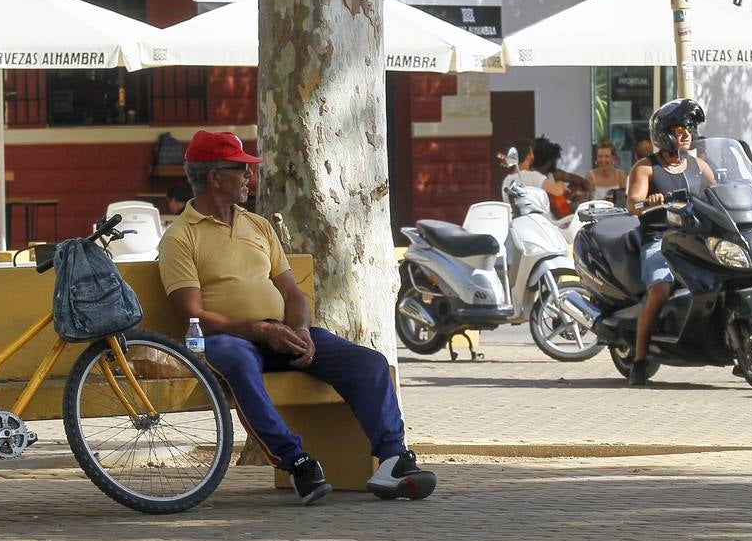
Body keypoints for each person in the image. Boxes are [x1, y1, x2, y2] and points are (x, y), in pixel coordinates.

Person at [157, 130, 437, 505]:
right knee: (239, 362)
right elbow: (192, 314)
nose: (249, 178)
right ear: (214, 176)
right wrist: (257, 329)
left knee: (370, 364)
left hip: (283, 333)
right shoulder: (180, 236)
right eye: (242, 170)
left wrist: (300, 329)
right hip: (226, 339)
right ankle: (297, 463)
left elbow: (292, 292)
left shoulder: (258, 226)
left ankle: (392, 461)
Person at [624, 98, 716, 386]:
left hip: (695, 239)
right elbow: (633, 204)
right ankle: (639, 360)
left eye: (690, 127)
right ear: (664, 133)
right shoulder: (646, 168)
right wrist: (647, 201)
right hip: (660, 240)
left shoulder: (698, 165)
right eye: (680, 128)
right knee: (661, 290)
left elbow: (719, 192)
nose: (687, 133)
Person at [498, 136, 569, 203]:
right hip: (536, 216)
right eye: (532, 152)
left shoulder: (506, 181)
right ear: (528, 156)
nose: (533, 156)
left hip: (517, 216)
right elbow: (557, 191)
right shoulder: (532, 176)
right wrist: (561, 184)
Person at [585, 140, 627, 205]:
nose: (603, 160)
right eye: (600, 156)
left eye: (607, 156)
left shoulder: (621, 175)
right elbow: (587, 202)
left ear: (613, 158)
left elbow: (625, 200)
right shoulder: (590, 176)